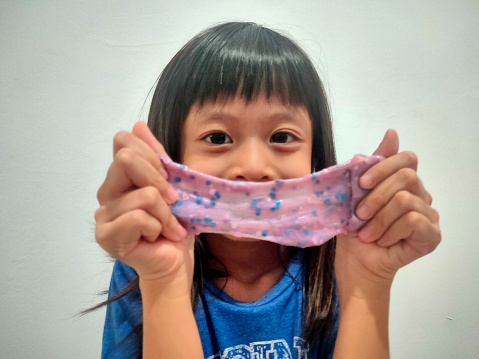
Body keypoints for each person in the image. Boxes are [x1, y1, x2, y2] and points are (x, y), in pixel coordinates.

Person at [93, 22, 441, 358]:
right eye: (217, 138)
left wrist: (368, 284)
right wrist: (163, 283)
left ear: (316, 158)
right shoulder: (144, 265)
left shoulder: (340, 261)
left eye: (282, 137)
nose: (254, 168)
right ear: (173, 154)